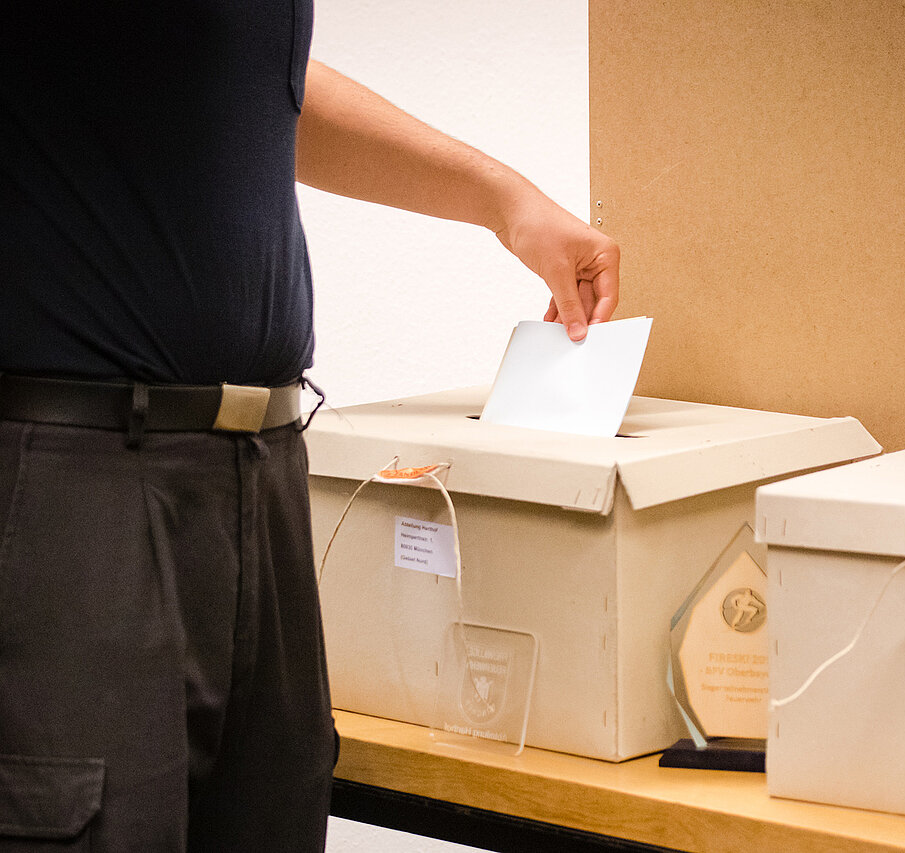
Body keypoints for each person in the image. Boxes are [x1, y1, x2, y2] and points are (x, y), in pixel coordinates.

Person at [0, 3, 618, 851]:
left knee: (277, 810)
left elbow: (261, 81)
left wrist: (503, 202)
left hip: (265, 470)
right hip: (85, 474)